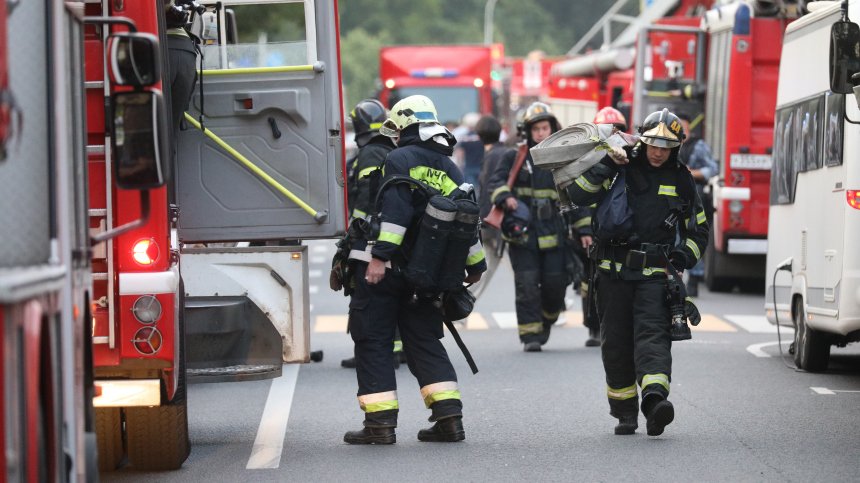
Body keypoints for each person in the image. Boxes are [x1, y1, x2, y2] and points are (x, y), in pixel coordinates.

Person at [343, 95, 486, 445]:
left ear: (404, 126)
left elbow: (396, 210)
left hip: (390, 269)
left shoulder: (399, 158)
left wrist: (379, 257)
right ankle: (449, 419)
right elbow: (466, 221)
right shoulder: (449, 166)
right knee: (424, 341)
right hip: (428, 276)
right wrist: (475, 266)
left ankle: (380, 426)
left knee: (374, 339)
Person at [565, 108, 709, 436]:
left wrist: (682, 259)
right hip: (611, 274)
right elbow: (577, 196)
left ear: (677, 147)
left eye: (666, 145)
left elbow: (698, 230)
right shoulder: (620, 165)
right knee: (615, 344)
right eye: (653, 143)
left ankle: (655, 401)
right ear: (643, 140)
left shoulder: (681, 178)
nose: (658, 151)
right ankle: (625, 412)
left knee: (653, 337)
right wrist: (605, 165)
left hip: (654, 276)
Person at [487, 102, 575, 352]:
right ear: (527, 131)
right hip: (523, 234)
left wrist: (585, 231)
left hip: (554, 233)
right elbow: (495, 183)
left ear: (552, 129)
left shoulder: (562, 159)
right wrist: (505, 197)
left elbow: (577, 195)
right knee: (526, 285)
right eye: (535, 128)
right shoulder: (513, 156)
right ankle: (530, 336)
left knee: (555, 285)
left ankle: (548, 318)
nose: (540, 133)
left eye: (544, 127)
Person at [339, 99, 403, 369]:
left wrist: (352, 236)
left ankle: (372, 349)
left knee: (364, 296)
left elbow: (365, 198)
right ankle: (397, 348)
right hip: (389, 233)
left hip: (369, 237)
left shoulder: (368, 153)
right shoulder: (391, 149)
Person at [574, 107, 631, 347]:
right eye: (608, 130)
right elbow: (579, 199)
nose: (613, 135)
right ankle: (593, 329)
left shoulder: (631, 157)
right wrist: (585, 231)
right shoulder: (589, 158)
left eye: (617, 130)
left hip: (620, 231)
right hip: (594, 232)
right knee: (591, 281)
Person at [676, 112, 717, 297]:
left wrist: (693, 173)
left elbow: (712, 168)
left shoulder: (698, 146)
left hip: (694, 198)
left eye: (684, 127)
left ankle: (694, 279)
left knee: (693, 236)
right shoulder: (668, 145)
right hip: (671, 200)